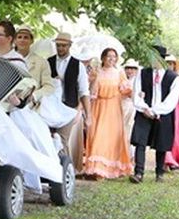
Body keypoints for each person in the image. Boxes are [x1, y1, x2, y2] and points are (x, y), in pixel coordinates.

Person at [130, 45, 179, 183]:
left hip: (163, 113)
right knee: (140, 142)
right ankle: (139, 172)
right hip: (144, 112)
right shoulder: (142, 73)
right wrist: (145, 109)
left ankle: (159, 173)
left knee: (161, 143)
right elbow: (136, 93)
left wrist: (156, 111)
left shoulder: (173, 77)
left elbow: (172, 100)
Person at [83, 48, 132, 179]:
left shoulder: (119, 73)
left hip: (113, 107)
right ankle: (97, 169)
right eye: (108, 56)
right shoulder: (96, 72)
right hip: (98, 106)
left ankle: (113, 168)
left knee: (112, 137)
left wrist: (135, 93)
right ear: (103, 58)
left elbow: (126, 90)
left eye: (114, 57)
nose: (111, 59)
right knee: (98, 135)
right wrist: (94, 79)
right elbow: (91, 92)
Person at [46, 31, 92, 173]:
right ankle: (49, 170)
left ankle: (63, 173)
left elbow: (84, 91)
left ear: (70, 46)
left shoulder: (78, 66)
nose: (60, 48)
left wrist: (88, 115)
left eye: (63, 46)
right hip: (49, 108)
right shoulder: (48, 62)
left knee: (61, 140)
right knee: (47, 139)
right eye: (58, 45)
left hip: (68, 108)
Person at [13, 25, 55, 108]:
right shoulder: (7, 59)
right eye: (19, 37)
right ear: (15, 40)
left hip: (29, 105)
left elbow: (49, 86)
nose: (22, 40)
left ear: (31, 41)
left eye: (26, 37)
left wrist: (34, 96)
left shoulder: (42, 62)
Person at [121, 58, 140, 162]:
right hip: (122, 106)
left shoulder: (137, 81)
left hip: (132, 107)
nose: (130, 71)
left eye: (132, 68)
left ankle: (130, 155)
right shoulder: (123, 80)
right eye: (128, 68)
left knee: (130, 129)